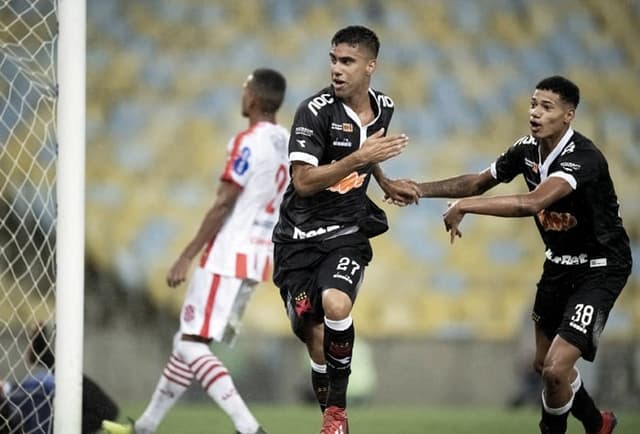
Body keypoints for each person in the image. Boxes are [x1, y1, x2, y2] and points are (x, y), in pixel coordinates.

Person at [414, 75, 631, 434]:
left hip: (601, 267)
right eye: (533, 103)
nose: (535, 112)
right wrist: (419, 189)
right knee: (543, 365)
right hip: (557, 264)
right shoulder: (526, 149)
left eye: (547, 107)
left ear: (568, 116)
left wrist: (467, 207)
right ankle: (598, 424)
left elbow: (532, 203)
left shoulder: (584, 158)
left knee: (556, 369)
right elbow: (478, 181)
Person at [102, 68, 289, 434]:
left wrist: (186, 255)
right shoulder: (286, 140)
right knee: (190, 340)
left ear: (252, 98)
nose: (242, 95)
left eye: (244, 89)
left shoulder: (247, 142)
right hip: (256, 257)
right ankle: (146, 426)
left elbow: (223, 203)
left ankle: (248, 427)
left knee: (190, 344)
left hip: (226, 255)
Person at [272, 25, 420, 434]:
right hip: (298, 239)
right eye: (333, 59)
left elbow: (367, 151)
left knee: (337, 304)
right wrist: (359, 158)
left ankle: (336, 413)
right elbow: (302, 182)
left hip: (347, 230)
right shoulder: (313, 112)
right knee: (311, 333)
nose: (337, 69)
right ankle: (334, 418)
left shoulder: (384, 107)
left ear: (370, 66)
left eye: (347, 61)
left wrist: (385, 181)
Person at [2, 323, 119, 434]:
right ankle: (45, 357)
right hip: (37, 422)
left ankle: (45, 357)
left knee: (107, 410)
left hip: (40, 400)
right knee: (107, 411)